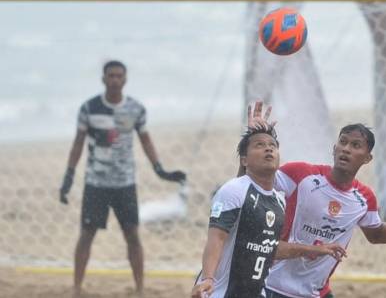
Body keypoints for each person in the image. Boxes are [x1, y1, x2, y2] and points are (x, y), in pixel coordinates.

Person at [247, 102, 386, 298]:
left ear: (367, 158)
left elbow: (376, 235)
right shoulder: (300, 174)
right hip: (274, 285)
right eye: (343, 142)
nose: (346, 149)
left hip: (317, 291)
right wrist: (253, 139)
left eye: (355, 145)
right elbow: (249, 185)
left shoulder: (364, 198)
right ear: (334, 149)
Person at [59, 60, 186, 297]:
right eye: (111, 76)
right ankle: (76, 288)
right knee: (86, 235)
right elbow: (78, 142)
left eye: (119, 76)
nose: (115, 80)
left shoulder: (135, 109)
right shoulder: (89, 108)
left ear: (125, 80)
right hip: (95, 183)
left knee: (132, 235)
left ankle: (139, 289)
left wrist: (159, 169)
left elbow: (146, 140)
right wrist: (69, 175)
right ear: (103, 79)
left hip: (125, 184)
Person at [191, 126, 346, 298]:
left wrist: (313, 249)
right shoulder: (233, 190)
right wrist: (208, 278)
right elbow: (216, 238)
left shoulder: (278, 201)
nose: (268, 148)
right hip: (219, 292)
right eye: (259, 145)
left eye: (273, 145)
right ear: (244, 161)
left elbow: (269, 248)